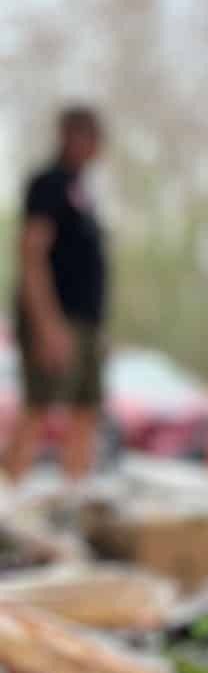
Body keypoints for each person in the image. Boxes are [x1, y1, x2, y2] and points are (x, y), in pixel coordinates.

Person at [7, 105, 109, 482]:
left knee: (86, 411)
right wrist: (47, 324)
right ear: (67, 136)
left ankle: (73, 507)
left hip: (85, 321)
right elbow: (31, 253)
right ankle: (8, 501)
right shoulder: (48, 184)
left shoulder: (83, 192)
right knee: (38, 409)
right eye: (84, 135)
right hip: (54, 317)